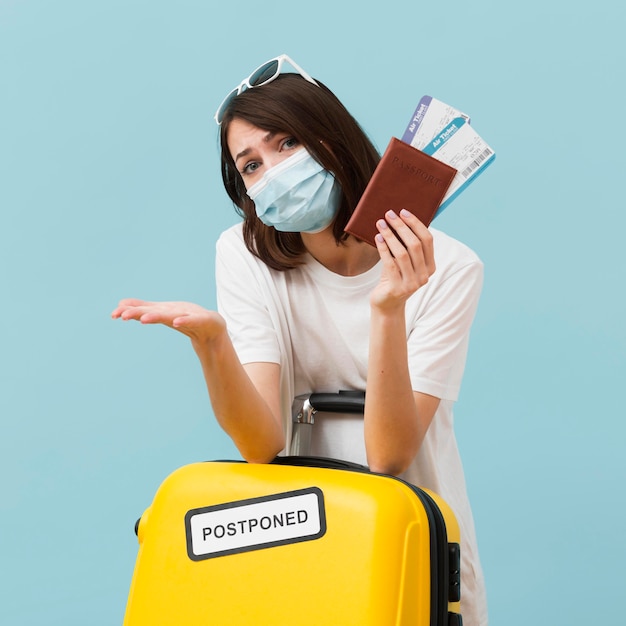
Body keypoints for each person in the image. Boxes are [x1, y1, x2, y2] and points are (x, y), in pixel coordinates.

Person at [112, 54, 488, 625]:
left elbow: (388, 457)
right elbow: (262, 444)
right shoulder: (243, 254)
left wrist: (387, 309)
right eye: (251, 166)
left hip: (412, 549)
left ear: (331, 137)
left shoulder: (451, 267)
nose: (275, 172)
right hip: (297, 553)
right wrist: (214, 345)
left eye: (287, 144)